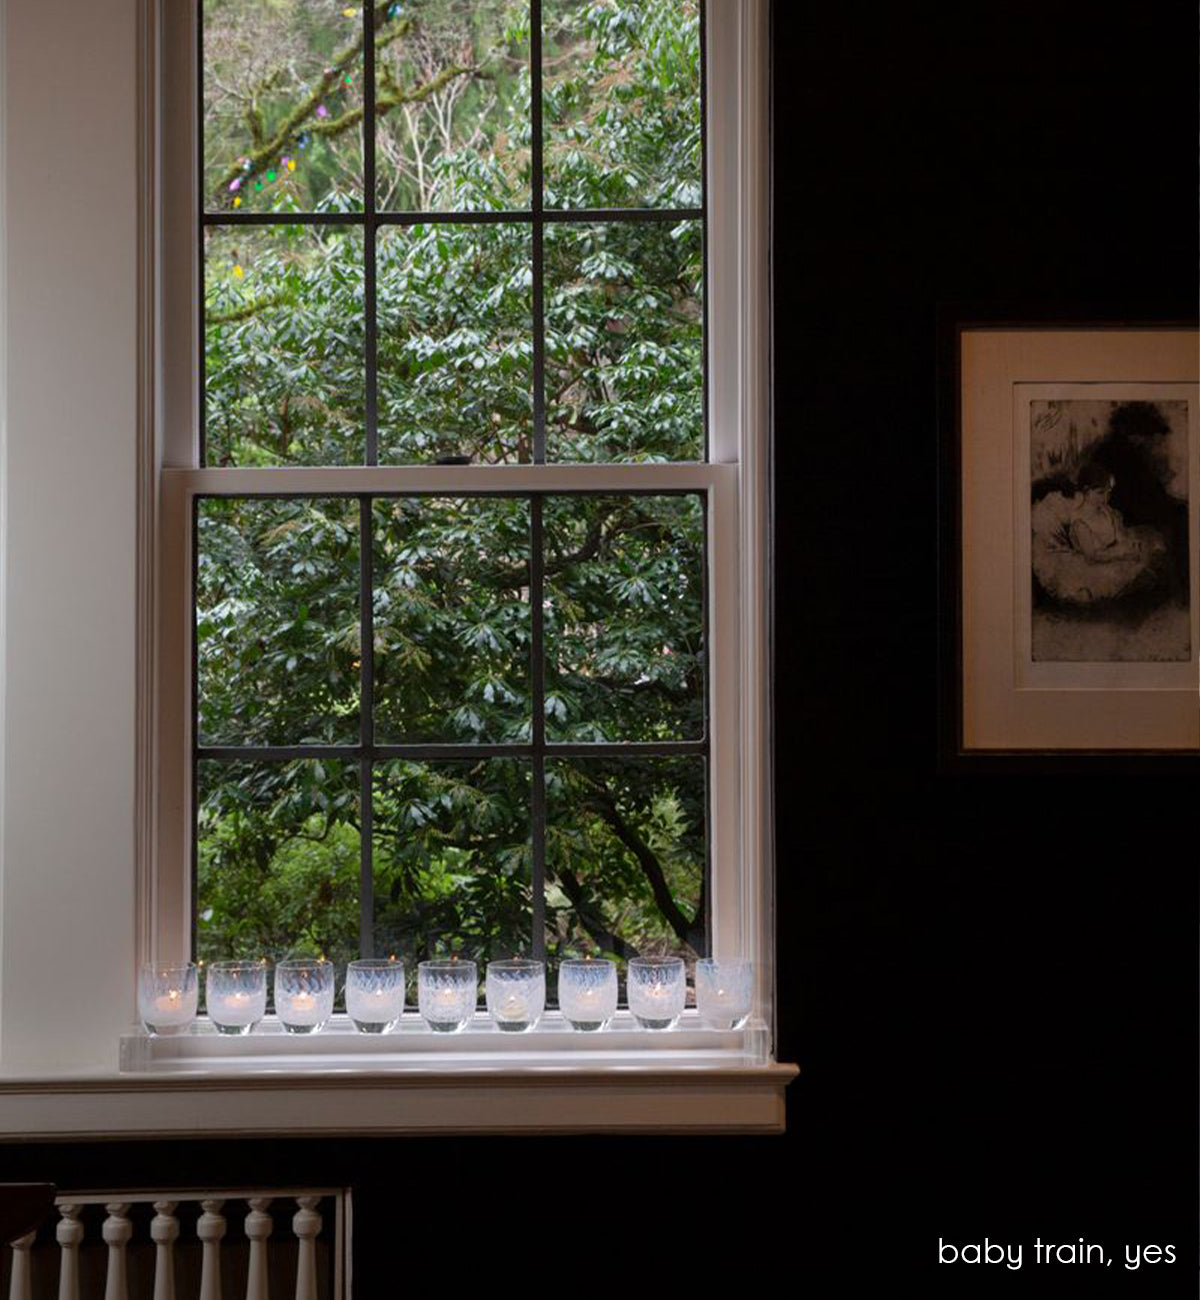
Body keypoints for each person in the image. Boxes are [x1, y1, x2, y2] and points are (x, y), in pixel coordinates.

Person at [1031, 464, 1164, 604]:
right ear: (1087, 491)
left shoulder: (1107, 512)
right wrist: (1121, 554)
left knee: (1149, 551)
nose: (1105, 498)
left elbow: (1120, 536)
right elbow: (1092, 556)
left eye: (1109, 492)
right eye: (1100, 493)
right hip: (1094, 565)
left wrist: (1128, 546)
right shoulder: (1080, 522)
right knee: (1125, 577)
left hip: (1113, 555)